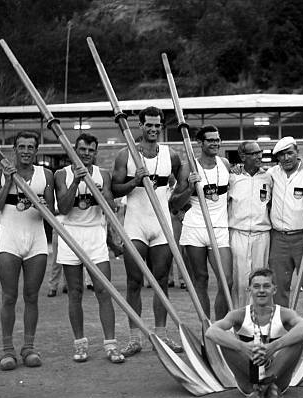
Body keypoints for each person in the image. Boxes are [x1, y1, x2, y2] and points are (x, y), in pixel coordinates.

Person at [111, 106, 185, 356]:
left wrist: (182, 196)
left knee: (162, 280)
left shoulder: (171, 155)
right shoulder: (126, 154)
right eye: (148, 125)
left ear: (161, 126)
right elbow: (114, 189)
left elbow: (181, 180)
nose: (153, 129)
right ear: (140, 126)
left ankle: (162, 335)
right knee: (134, 281)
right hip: (135, 226)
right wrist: (134, 181)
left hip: (161, 225)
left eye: (157, 125)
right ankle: (135, 338)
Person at [0, 131, 54, 370]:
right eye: (22, 146)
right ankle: (7, 350)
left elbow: (52, 214)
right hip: (9, 241)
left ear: (36, 150)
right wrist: (9, 182)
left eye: (30, 147)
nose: (26, 151)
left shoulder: (46, 175)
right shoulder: (0, 172)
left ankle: (28, 347)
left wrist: (42, 205)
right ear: (15, 149)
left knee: (32, 296)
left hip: (36, 242)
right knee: (9, 297)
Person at [54, 133, 125, 363]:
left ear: (95, 153)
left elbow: (111, 207)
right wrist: (76, 181)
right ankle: (80, 344)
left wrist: (98, 187)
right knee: (75, 292)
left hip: (95, 234)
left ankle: (111, 344)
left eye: (90, 150)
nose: (86, 153)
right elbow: (63, 208)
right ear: (74, 150)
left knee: (104, 290)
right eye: (82, 149)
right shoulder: (61, 174)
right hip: (70, 234)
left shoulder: (102, 174)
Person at [205, 267, 303, 398]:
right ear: (249, 290)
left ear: (274, 289)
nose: (261, 290)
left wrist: (273, 347)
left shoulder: (285, 313)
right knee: (226, 337)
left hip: (279, 379)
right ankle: (268, 389)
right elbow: (211, 331)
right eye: (256, 286)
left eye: (266, 286)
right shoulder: (238, 314)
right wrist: (244, 347)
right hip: (248, 380)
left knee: (298, 337)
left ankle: (260, 391)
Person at [173, 125, 233, 320]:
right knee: (201, 280)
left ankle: (220, 326)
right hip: (194, 229)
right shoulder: (189, 166)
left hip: (220, 229)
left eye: (217, 139)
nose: (215, 143)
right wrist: (190, 188)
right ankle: (205, 327)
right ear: (200, 143)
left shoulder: (224, 163)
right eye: (210, 140)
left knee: (227, 281)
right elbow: (174, 204)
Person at [266, 136, 303, 323]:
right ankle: (282, 324)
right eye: (282, 155)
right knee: (279, 285)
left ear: (297, 152)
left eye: (290, 153)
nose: (286, 158)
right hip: (278, 238)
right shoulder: (272, 173)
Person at [228, 141, 272, 307]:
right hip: (238, 232)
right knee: (240, 280)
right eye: (253, 153)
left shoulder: (268, 177)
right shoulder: (233, 177)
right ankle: (240, 319)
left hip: (262, 234)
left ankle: (259, 319)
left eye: (259, 152)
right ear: (243, 157)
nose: (258, 156)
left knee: (259, 280)